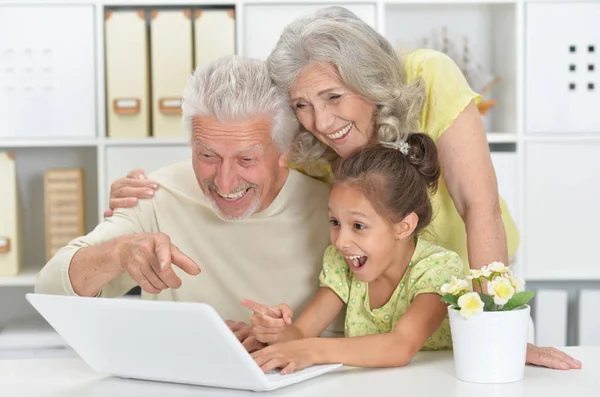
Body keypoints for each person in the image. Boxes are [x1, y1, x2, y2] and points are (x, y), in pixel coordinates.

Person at [101, 7, 577, 370]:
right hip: (379, 321)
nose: (322, 122)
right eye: (303, 104)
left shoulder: (428, 77)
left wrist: (494, 328)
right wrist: (152, 190)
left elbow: (480, 206)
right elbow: (245, 167)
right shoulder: (307, 144)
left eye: (333, 97)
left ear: (367, 81)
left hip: (472, 293)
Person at [34, 56, 335, 351]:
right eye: (207, 156)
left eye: (246, 159)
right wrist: (119, 252)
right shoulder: (155, 195)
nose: (225, 182)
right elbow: (49, 291)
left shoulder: (334, 211)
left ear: (285, 150)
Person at [243, 139, 580, 373]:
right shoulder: (341, 264)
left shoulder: (437, 268)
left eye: (358, 226)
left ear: (403, 227)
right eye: (334, 222)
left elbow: (400, 346)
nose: (341, 240)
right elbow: (302, 334)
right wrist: (276, 333)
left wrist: (311, 352)